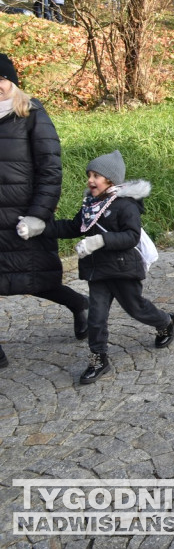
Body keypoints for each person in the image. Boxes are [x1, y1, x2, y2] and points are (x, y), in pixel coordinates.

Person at [46, 150, 174, 384]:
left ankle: (165, 322)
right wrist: (42, 227)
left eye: (96, 175)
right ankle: (99, 358)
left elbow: (131, 237)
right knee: (95, 318)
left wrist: (101, 240)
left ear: (111, 179)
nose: (90, 179)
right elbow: (75, 227)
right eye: (89, 174)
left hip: (123, 269)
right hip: (98, 272)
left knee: (136, 309)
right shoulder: (91, 205)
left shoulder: (126, 205)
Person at [0, 55, 90, 369]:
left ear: (12, 80)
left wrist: (39, 215)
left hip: (22, 218)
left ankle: (80, 304)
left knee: (37, 278)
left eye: (1, 79)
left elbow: (50, 171)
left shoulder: (32, 114)